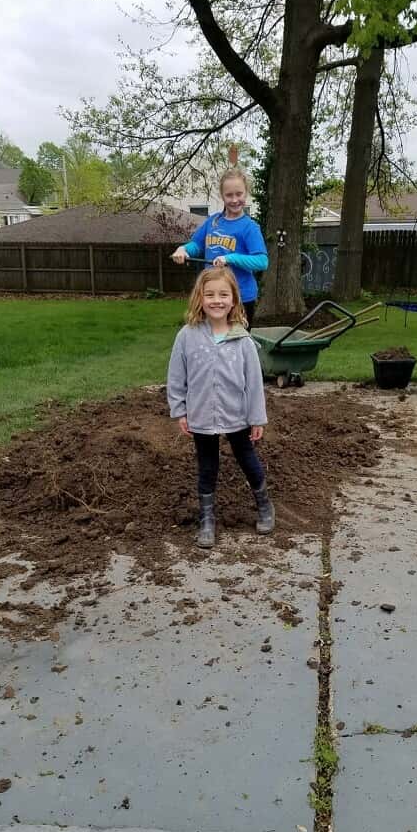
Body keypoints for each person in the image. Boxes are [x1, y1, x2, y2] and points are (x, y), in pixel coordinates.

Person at [167, 267, 275, 549]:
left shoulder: (243, 340)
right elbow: (176, 377)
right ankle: (207, 519)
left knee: (247, 459)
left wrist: (257, 418)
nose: (217, 300)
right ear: (200, 298)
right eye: (210, 294)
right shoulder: (187, 336)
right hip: (201, 414)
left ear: (234, 299)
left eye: (223, 295)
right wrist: (180, 410)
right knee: (207, 466)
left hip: (237, 415)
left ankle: (264, 506)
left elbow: (254, 383)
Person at [170, 168, 268, 325]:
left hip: (240, 298)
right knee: (208, 337)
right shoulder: (212, 221)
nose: (234, 200)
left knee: (234, 340)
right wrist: (184, 250)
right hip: (210, 296)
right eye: (229, 195)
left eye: (239, 194)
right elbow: (196, 245)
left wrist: (229, 259)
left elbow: (262, 262)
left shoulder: (250, 227)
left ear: (246, 194)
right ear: (222, 196)